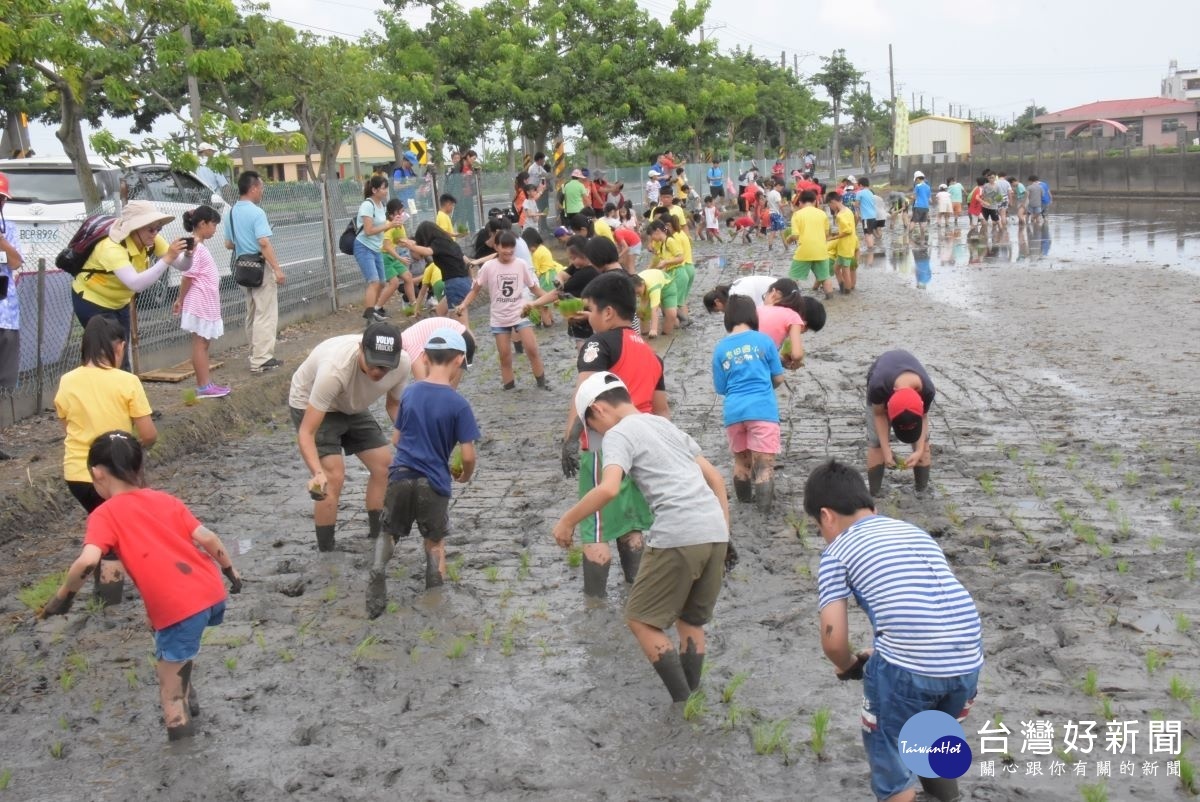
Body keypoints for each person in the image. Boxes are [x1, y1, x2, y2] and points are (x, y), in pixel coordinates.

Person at [38, 431, 243, 742]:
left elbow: (88, 562)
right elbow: (208, 538)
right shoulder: (166, 500)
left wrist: (63, 597)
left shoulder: (104, 514)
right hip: (210, 591)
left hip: (179, 605)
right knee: (172, 640)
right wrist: (230, 569)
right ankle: (188, 691)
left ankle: (183, 755)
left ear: (97, 474)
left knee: (169, 698)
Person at [805, 459, 982, 802]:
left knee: (891, 764)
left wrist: (848, 664)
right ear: (872, 506)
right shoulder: (913, 531)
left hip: (910, 669)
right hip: (967, 661)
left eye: (818, 526)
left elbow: (833, 639)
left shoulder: (837, 552)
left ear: (826, 516)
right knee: (934, 740)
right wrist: (881, 653)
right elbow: (922, 610)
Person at [553, 372, 730, 702]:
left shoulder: (620, 433)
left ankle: (682, 703)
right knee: (690, 620)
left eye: (593, 427)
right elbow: (717, 479)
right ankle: (694, 698)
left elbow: (607, 488)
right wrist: (725, 534)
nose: (598, 435)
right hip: (715, 530)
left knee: (640, 619)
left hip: (678, 533)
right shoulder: (665, 425)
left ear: (599, 409)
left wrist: (567, 521)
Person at [558, 273, 667, 596]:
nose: (588, 316)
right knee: (631, 524)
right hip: (642, 445)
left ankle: (595, 606)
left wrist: (568, 441)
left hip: (604, 444)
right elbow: (662, 411)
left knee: (595, 528)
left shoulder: (598, 343)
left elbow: (585, 396)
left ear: (607, 313)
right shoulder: (650, 353)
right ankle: (639, 594)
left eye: (590, 309)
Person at [367, 328, 479, 614]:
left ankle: (379, 568)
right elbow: (468, 454)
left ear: (426, 358)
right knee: (434, 540)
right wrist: (465, 473)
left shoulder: (411, 392)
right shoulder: (459, 404)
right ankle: (434, 594)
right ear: (458, 361)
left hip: (401, 475)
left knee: (389, 530)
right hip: (434, 482)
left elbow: (395, 439)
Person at [54, 316, 158, 603]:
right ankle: (109, 598)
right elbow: (148, 433)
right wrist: (131, 448)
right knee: (115, 536)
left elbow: (67, 426)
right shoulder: (127, 381)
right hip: (115, 473)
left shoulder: (67, 381)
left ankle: (106, 594)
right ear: (120, 347)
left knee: (106, 526)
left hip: (77, 473)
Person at [289, 322, 411, 552]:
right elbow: (307, 432)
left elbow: (394, 405)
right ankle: (327, 551)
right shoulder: (335, 370)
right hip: (311, 403)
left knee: (384, 465)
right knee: (332, 475)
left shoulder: (402, 363)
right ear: (361, 349)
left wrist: (413, 438)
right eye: (374, 364)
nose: (379, 372)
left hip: (351, 404)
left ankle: (378, 537)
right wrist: (316, 473)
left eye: (385, 367)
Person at [73, 200, 188, 371]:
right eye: (150, 229)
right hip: (93, 300)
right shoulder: (111, 247)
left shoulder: (152, 239)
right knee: (106, 356)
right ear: (134, 229)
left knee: (121, 352)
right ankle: (101, 393)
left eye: (158, 228)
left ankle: (123, 393)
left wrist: (189, 255)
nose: (155, 233)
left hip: (120, 302)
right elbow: (136, 283)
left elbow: (183, 266)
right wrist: (167, 258)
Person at [712, 297, 785, 512]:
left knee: (741, 463)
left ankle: (743, 506)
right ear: (753, 316)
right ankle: (763, 514)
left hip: (734, 412)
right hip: (762, 410)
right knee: (764, 466)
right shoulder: (764, 341)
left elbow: (720, 388)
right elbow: (779, 378)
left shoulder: (720, 348)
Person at [454, 231, 549, 390]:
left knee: (532, 349)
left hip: (520, 313)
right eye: (504, 247)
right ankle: (509, 387)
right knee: (505, 356)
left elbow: (533, 288)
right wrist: (464, 305)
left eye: (511, 247)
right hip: (499, 318)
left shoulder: (521, 264)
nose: (508, 251)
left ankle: (542, 383)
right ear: (496, 247)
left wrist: (550, 297)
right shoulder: (489, 267)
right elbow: (475, 289)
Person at [226, 171, 285, 373]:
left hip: (242, 267)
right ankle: (262, 358)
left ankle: (254, 353)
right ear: (253, 188)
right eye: (261, 187)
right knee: (265, 313)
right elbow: (263, 242)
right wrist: (277, 269)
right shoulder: (257, 213)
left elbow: (228, 243)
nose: (262, 191)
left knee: (251, 312)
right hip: (260, 268)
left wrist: (243, 242)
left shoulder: (231, 212)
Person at [173, 204, 229, 398]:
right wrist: (180, 299)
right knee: (200, 342)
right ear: (203, 223)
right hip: (200, 300)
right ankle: (203, 386)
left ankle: (206, 383)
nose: (214, 229)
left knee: (204, 343)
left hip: (205, 300)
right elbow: (188, 275)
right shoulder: (195, 245)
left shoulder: (198, 245)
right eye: (213, 224)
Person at [865, 349, 936, 497]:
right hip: (883, 382)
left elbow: (922, 417)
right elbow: (879, 415)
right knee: (876, 441)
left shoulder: (927, 390)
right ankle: (875, 493)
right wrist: (886, 450)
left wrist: (919, 450)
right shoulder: (877, 386)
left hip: (904, 382)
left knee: (923, 440)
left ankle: (921, 490)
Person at [404, 221, 473, 327]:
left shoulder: (438, 242)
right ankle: (445, 337)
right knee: (439, 311)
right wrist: (471, 281)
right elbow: (467, 262)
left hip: (455, 284)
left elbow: (428, 251)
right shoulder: (450, 243)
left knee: (462, 326)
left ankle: (469, 343)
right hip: (463, 281)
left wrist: (411, 246)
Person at [354, 175, 402, 322]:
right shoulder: (367, 205)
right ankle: (369, 317)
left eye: (386, 187)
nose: (386, 191)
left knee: (382, 282)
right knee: (374, 282)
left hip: (376, 248)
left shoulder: (382, 205)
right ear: (374, 190)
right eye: (383, 188)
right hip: (364, 247)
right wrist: (389, 225)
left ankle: (373, 310)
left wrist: (394, 223)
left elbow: (383, 226)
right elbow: (368, 231)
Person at [0, 172, 22, 460]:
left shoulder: (10, 228)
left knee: (2, 381)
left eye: (2, 199)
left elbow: (16, 261)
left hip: (6, 313)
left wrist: (3, 243)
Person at [785, 190, 834, 299]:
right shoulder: (822, 214)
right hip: (821, 250)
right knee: (825, 277)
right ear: (815, 201)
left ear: (800, 202)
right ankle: (831, 300)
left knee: (793, 277)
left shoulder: (797, 214)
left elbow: (795, 235)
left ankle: (791, 300)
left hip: (804, 251)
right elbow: (827, 234)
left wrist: (788, 239)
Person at [399, 316, 475, 385]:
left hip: (459, 340)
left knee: (443, 390)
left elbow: (422, 383)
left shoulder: (410, 346)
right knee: (443, 390)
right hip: (460, 335)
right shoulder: (405, 337)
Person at [380, 199, 417, 313]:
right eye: (400, 212)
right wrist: (400, 258)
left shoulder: (400, 225)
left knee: (408, 277)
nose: (402, 214)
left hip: (393, 256)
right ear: (391, 215)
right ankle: (376, 308)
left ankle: (413, 306)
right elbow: (386, 246)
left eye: (403, 211)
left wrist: (410, 243)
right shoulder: (387, 226)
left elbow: (399, 241)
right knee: (394, 283)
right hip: (385, 257)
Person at [521, 228, 561, 326]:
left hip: (545, 279)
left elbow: (536, 272)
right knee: (547, 303)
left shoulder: (536, 254)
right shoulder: (543, 248)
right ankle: (551, 322)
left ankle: (547, 325)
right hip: (552, 276)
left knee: (542, 306)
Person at [827, 192, 859, 295]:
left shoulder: (840, 215)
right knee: (836, 268)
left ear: (833, 202)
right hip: (852, 243)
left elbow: (847, 230)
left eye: (830, 205)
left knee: (845, 270)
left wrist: (834, 237)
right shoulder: (848, 210)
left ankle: (847, 292)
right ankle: (842, 286)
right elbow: (851, 225)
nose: (830, 208)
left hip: (845, 246)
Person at [855, 177, 879, 252]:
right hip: (873, 216)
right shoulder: (870, 192)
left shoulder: (859, 193)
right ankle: (871, 247)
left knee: (867, 234)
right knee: (870, 233)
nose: (858, 187)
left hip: (866, 217)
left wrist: (854, 204)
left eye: (858, 186)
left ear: (861, 185)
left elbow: (857, 204)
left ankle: (870, 250)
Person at [909, 173, 932, 238]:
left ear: (918, 178)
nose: (916, 181)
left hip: (918, 206)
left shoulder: (918, 186)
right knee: (923, 222)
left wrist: (910, 197)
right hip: (926, 207)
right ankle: (922, 237)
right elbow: (930, 200)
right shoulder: (928, 187)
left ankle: (909, 236)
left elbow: (914, 196)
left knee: (913, 221)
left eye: (916, 180)